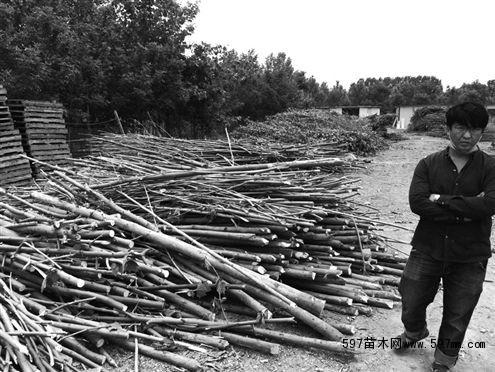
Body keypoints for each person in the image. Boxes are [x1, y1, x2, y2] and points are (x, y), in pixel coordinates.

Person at [396, 102, 494, 371]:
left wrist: (439, 200)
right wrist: (468, 208)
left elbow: (490, 205)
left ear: (482, 132)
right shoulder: (428, 164)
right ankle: (414, 332)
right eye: (461, 128)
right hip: (428, 246)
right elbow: (417, 203)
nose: (467, 136)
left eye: (474, 130)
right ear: (448, 129)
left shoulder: (491, 166)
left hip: (471, 251)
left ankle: (444, 359)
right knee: (411, 295)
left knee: (459, 311)